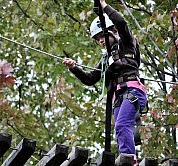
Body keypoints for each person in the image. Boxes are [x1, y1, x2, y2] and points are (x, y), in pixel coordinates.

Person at [63, 0, 147, 164]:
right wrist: (74, 68)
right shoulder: (105, 59)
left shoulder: (127, 44)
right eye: (97, 38)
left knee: (122, 125)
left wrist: (103, 6)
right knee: (119, 130)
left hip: (132, 91)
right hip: (117, 97)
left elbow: (121, 23)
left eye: (103, 35)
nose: (100, 40)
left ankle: (130, 161)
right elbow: (90, 79)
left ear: (113, 31)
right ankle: (128, 159)